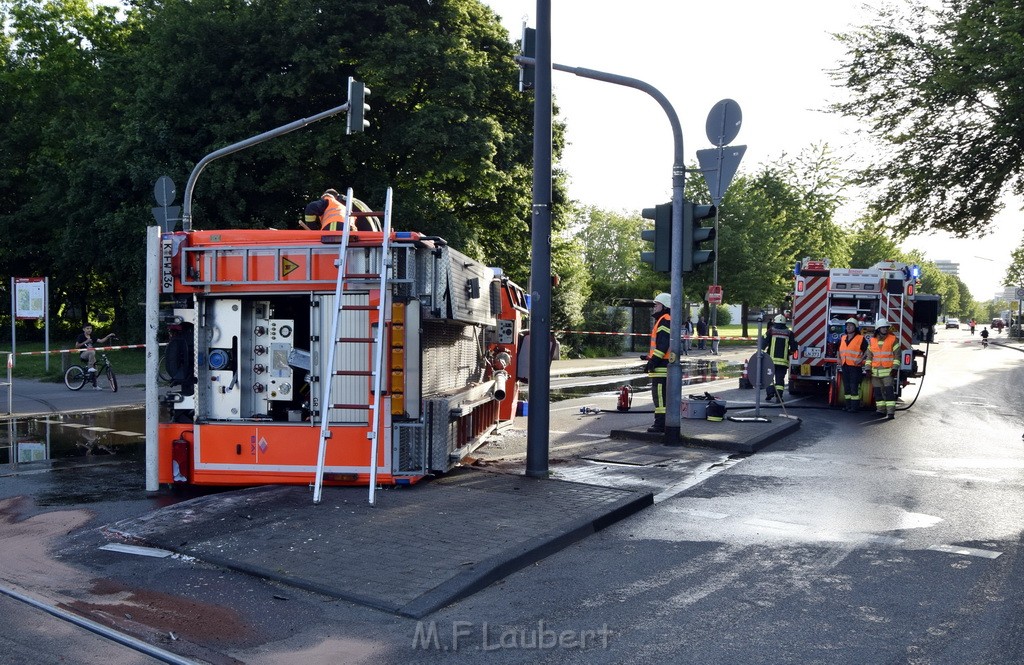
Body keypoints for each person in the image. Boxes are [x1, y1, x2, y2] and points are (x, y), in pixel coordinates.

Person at [645, 293, 672, 433]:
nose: (654, 307)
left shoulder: (665, 319)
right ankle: (661, 423)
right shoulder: (663, 319)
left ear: (665, 306)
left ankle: (660, 425)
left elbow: (663, 344)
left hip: (661, 366)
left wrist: (654, 360)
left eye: (657, 304)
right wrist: (649, 357)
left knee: (660, 398)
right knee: (660, 397)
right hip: (661, 365)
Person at [866, 317, 899, 420]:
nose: (885, 329)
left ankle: (890, 413)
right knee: (878, 394)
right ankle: (880, 411)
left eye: (886, 327)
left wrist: (895, 368)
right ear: (878, 329)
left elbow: (897, 356)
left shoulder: (893, 339)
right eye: (883, 327)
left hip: (888, 372)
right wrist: (867, 369)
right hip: (875, 373)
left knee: (889, 393)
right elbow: (869, 356)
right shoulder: (872, 341)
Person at [762, 314, 796, 402]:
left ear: (775, 322)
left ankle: (769, 393)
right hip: (783, 362)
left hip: (770, 361)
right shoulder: (789, 333)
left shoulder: (771, 331)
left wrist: (761, 353)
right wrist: (789, 353)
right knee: (779, 379)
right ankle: (779, 397)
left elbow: (763, 342)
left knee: (769, 378)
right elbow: (794, 347)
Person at [838, 317, 868, 412]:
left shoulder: (860, 338)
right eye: (847, 326)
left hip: (855, 367)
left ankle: (855, 407)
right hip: (845, 365)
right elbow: (839, 349)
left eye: (851, 326)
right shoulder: (843, 338)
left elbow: (868, 350)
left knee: (854, 387)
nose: (848, 327)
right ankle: (848, 406)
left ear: (855, 327)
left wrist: (861, 359)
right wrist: (838, 358)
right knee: (847, 386)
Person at [75, 324, 115, 388]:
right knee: (92, 351)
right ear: (84, 329)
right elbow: (76, 346)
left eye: (90, 328)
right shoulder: (81, 336)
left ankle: (95, 385)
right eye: (87, 328)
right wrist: (86, 341)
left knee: (96, 370)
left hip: (91, 355)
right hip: (83, 354)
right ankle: (90, 367)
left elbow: (101, 341)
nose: (89, 330)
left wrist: (108, 336)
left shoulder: (92, 336)